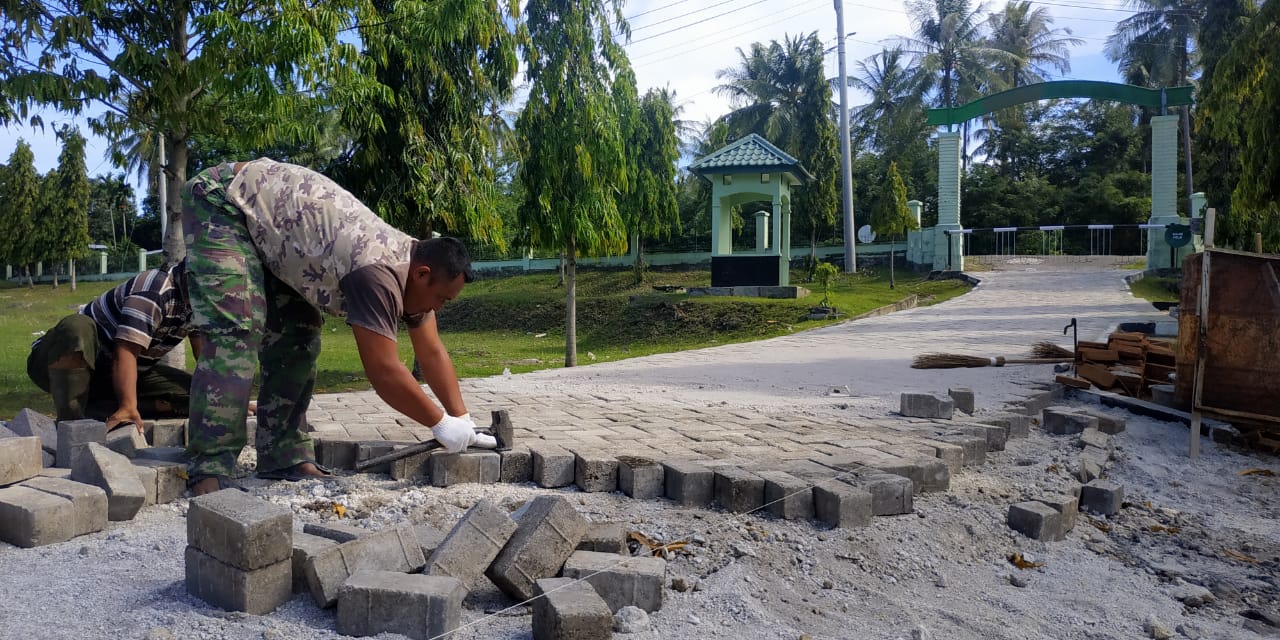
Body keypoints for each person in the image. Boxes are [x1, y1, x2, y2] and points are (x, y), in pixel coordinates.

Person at [181, 159, 487, 495]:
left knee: (299, 336)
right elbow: (384, 371)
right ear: (422, 274)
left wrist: (464, 420)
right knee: (237, 330)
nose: (438, 308)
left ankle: (284, 456)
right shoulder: (378, 271)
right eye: (441, 299)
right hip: (224, 201)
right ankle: (208, 467)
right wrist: (440, 423)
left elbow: (431, 351)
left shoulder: (417, 271)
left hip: (277, 236)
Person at [27, 261, 198, 432]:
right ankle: (72, 423)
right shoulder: (156, 289)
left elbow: (207, 358)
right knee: (77, 328)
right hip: (59, 361)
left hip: (118, 375)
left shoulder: (204, 305)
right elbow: (125, 352)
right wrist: (127, 404)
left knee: (203, 397)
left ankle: (98, 412)